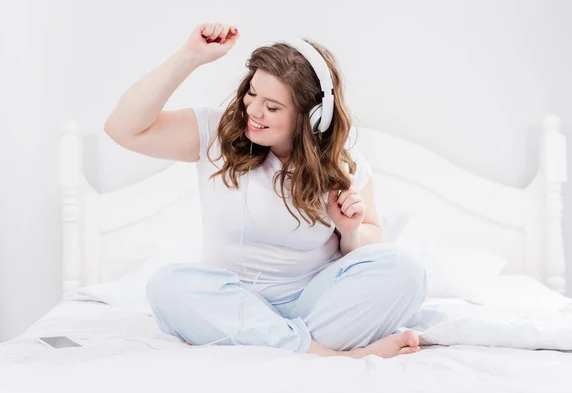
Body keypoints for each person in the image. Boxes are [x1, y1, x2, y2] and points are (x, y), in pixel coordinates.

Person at [104, 22, 427, 359]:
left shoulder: (343, 162)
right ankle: (330, 356)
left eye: (272, 107)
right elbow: (122, 129)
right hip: (234, 302)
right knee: (168, 286)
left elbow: (370, 236)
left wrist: (350, 231)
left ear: (312, 117)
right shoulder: (216, 133)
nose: (253, 111)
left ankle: (271, 342)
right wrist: (190, 57)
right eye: (252, 93)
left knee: (405, 270)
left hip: (314, 304)